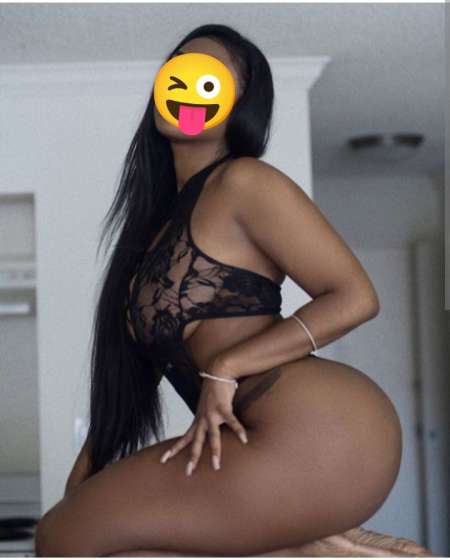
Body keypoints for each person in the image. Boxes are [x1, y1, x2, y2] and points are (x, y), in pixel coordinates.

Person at [34, 24, 435, 558]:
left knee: (64, 536)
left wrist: (226, 366)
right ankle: (303, 542)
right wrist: (81, 486)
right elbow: (132, 382)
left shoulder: (244, 183)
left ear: (239, 104)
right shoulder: (155, 228)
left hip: (321, 431)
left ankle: (299, 543)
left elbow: (355, 296)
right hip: (261, 442)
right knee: (67, 536)